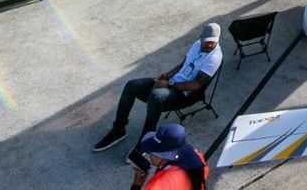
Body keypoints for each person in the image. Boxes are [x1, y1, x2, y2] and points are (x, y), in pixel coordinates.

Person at [93, 24, 223, 152]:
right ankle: (118, 129)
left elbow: (196, 85)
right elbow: (182, 65)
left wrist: (169, 85)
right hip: (172, 83)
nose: (208, 45)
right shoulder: (197, 44)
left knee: (156, 97)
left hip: (185, 95)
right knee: (131, 85)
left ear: (217, 40)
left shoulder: (214, 58)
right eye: (205, 42)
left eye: (212, 42)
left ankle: (146, 141)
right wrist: (163, 77)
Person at [127, 124, 208, 190]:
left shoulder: (159, 185)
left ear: (164, 156)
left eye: (152, 153)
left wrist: (136, 185)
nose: (149, 155)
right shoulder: (197, 159)